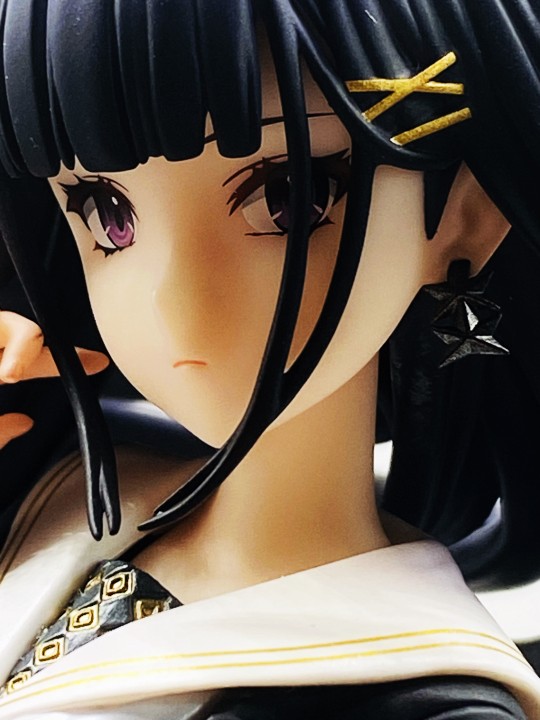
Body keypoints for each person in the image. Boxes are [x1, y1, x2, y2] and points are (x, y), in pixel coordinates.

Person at [0, 0, 539, 717]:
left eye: (288, 199)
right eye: (108, 213)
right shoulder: (50, 473)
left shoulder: (422, 699)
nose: (175, 304)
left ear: (465, 216)